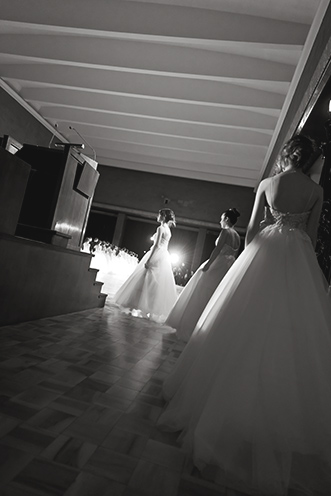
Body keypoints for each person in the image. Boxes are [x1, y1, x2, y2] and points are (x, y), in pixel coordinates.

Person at [157, 135, 331, 496]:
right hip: (296, 257)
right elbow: (312, 238)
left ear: (286, 156)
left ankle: (220, 406)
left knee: (240, 327)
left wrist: (247, 268)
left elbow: (252, 231)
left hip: (263, 252)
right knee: (289, 333)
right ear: (311, 159)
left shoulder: (268, 184)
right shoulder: (315, 192)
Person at [164, 208, 241, 342]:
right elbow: (234, 254)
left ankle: (190, 326)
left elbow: (217, 249)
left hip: (217, 264)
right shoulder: (237, 236)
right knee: (214, 295)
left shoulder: (226, 232)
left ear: (227, 219)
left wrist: (208, 264)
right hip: (227, 268)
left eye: (221, 218)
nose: (220, 221)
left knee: (200, 292)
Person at [113, 208, 177, 323]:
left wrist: (149, 259)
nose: (157, 216)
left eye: (159, 214)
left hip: (156, 254)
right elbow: (163, 245)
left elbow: (157, 246)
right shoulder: (168, 229)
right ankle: (151, 308)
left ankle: (134, 304)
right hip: (164, 257)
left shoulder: (160, 228)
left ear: (163, 216)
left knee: (144, 280)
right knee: (155, 283)